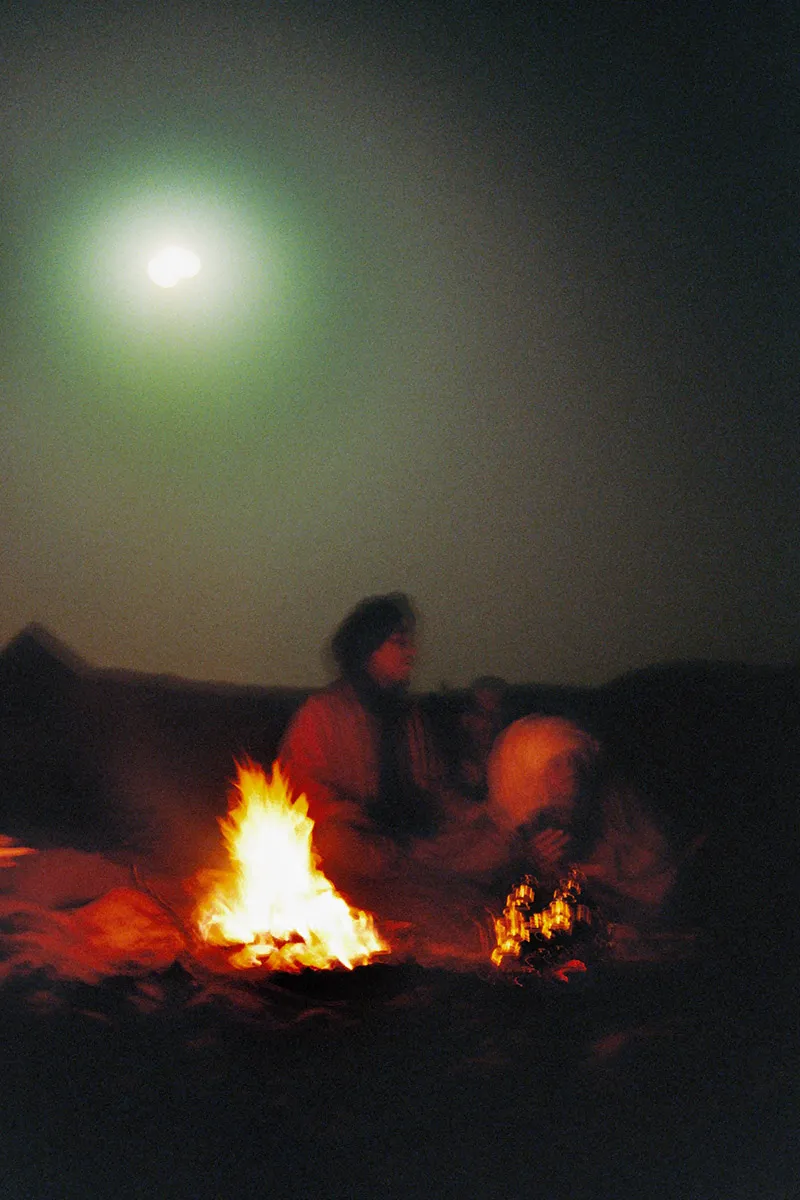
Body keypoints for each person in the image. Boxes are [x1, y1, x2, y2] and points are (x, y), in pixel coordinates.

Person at [278, 593, 446, 887]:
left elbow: (432, 790)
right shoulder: (322, 712)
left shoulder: (411, 716)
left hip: (414, 844)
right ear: (369, 650)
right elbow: (296, 786)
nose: (412, 654)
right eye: (399, 643)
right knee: (333, 842)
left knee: (493, 841)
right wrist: (350, 812)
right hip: (358, 838)